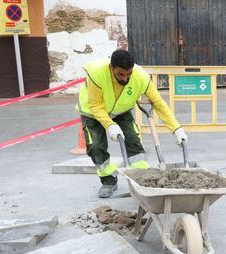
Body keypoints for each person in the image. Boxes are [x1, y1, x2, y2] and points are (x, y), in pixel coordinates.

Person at [76, 49, 187, 198]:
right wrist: (110, 125)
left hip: (121, 111)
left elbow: (159, 103)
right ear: (111, 68)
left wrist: (177, 129)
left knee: (133, 141)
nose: (124, 78)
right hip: (92, 113)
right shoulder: (97, 74)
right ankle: (108, 180)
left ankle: (142, 178)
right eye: (120, 74)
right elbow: (96, 106)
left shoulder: (141, 77)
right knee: (96, 146)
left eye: (128, 74)